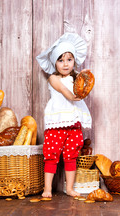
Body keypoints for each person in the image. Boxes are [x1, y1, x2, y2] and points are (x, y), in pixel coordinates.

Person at [36, 32, 92, 198]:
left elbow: (83, 88)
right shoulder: (54, 78)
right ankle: (47, 188)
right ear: (55, 62)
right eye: (61, 60)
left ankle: (69, 188)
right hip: (57, 123)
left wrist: (86, 84)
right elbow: (66, 93)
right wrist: (77, 96)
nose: (66, 64)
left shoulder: (77, 78)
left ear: (74, 60)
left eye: (69, 59)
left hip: (73, 124)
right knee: (51, 156)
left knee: (71, 156)